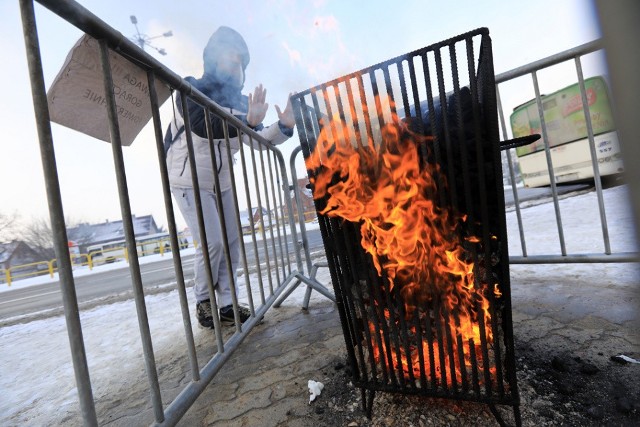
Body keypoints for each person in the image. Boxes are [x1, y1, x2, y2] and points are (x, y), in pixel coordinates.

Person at [164, 26, 295, 329]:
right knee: (212, 243)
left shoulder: (238, 100)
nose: (235, 66)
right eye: (229, 58)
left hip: (221, 181)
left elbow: (258, 139)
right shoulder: (190, 88)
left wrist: (284, 126)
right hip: (189, 179)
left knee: (232, 242)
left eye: (240, 62)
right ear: (212, 58)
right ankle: (203, 303)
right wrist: (245, 122)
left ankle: (227, 303)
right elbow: (201, 124)